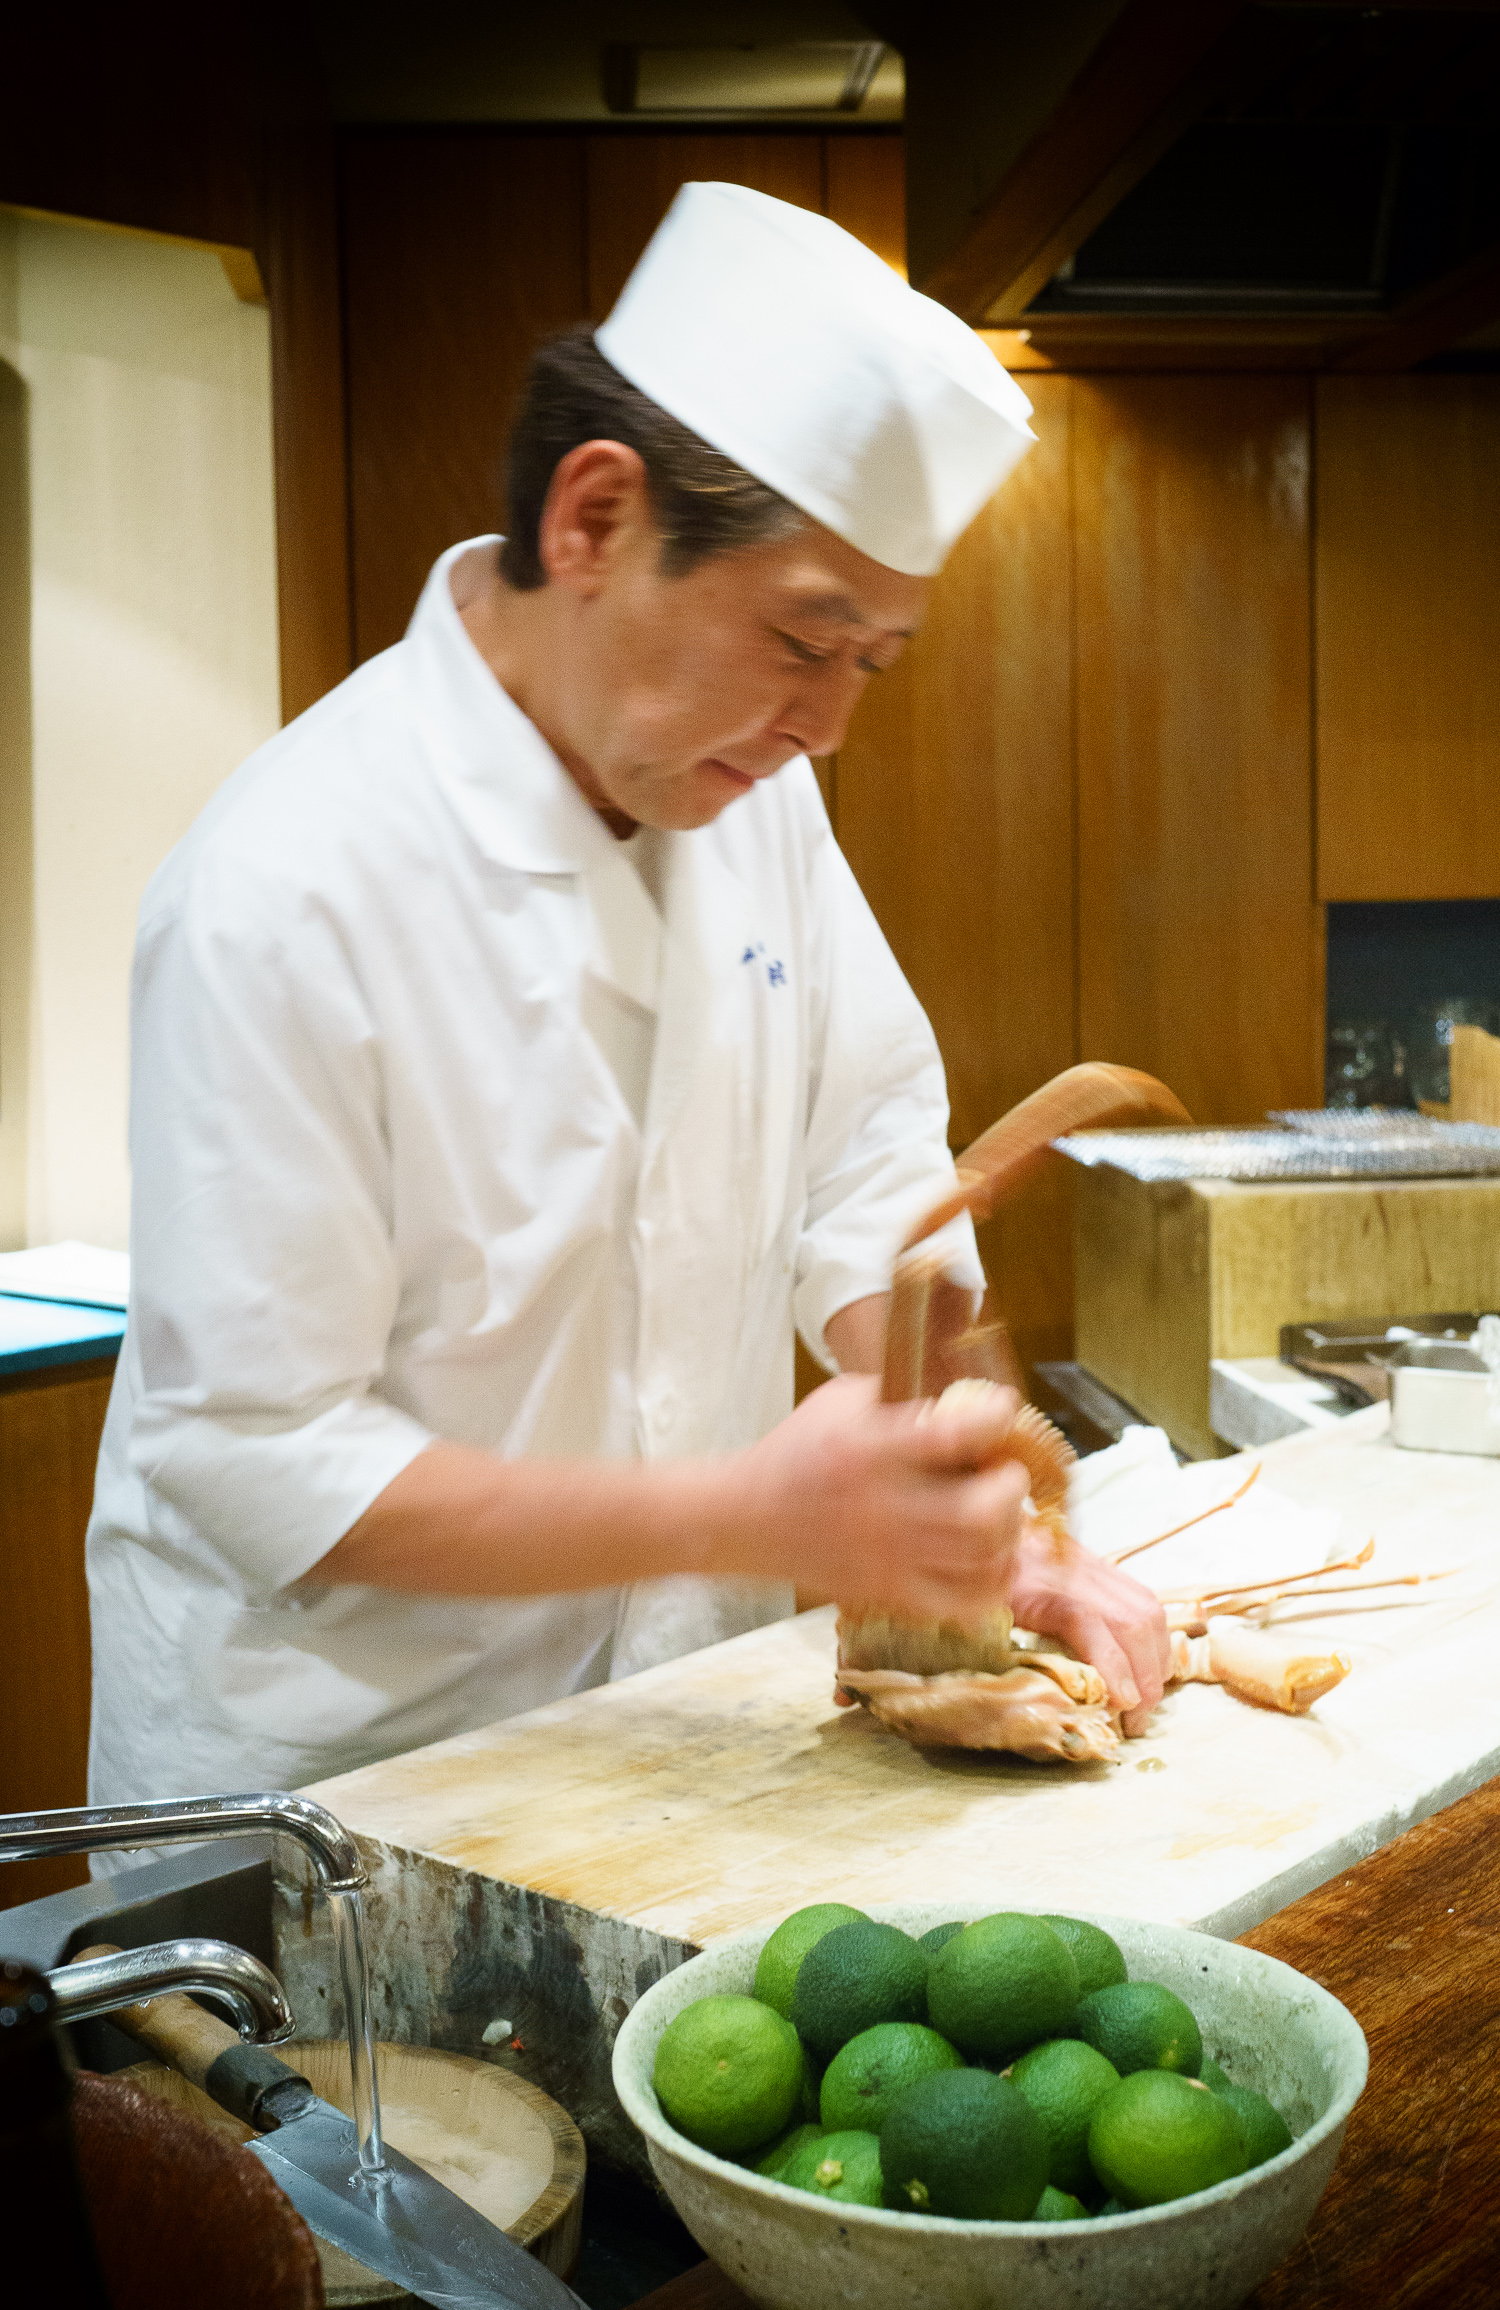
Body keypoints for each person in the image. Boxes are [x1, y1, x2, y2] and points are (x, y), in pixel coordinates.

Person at [87, 183, 1166, 1807]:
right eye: (806, 639)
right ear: (592, 519)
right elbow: (256, 1454)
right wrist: (757, 1512)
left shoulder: (746, 792)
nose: (828, 727)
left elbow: (870, 1166)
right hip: (333, 1779)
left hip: (669, 1729)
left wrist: (977, 1506)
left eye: (872, 662)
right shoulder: (284, 887)